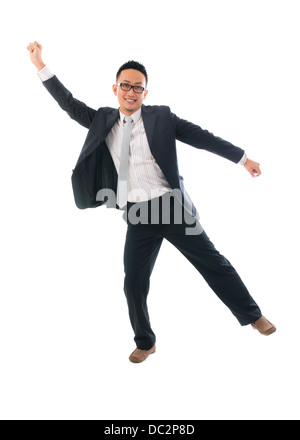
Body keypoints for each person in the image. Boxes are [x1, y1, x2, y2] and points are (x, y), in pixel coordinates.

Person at [27, 41, 276, 363]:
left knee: (213, 264)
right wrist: (39, 64)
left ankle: (254, 315)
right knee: (134, 282)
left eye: (138, 88)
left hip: (170, 207)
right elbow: (68, 103)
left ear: (146, 92)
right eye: (126, 86)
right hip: (137, 213)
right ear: (115, 88)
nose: (132, 92)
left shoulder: (161, 118)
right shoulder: (103, 120)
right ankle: (145, 342)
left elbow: (202, 137)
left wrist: (242, 158)